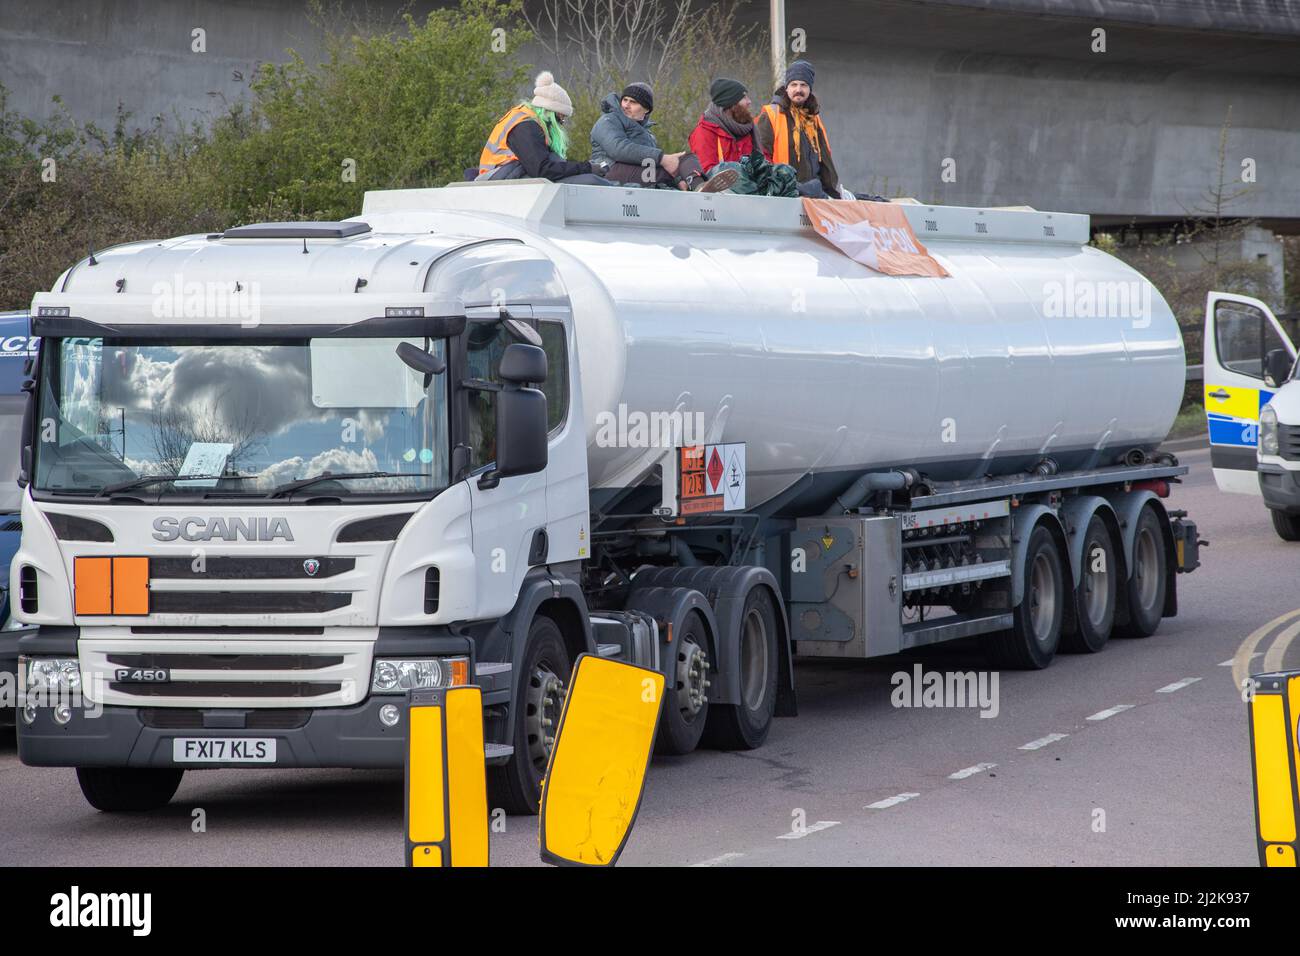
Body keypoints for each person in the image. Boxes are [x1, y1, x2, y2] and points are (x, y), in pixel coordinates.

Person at [590, 83, 736, 192]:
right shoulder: (608, 120)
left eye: (633, 102)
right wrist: (663, 159)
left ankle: (700, 187)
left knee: (685, 157)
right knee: (662, 171)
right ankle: (689, 185)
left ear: (646, 109)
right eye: (625, 100)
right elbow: (619, 149)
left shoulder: (647, 134)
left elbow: (651, 160)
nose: (626, 105)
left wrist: (677, 171)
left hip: (640, 171)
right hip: (609, 170)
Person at [478, 71, 611, 185]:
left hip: (500, 177)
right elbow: (541, 169)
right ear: (551, 112)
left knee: (556, 162)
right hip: (495, 180)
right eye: (562, 117)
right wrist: (586, 167)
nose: (562, 122)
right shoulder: (525, 126)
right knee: (560, 168)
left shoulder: (527, 121)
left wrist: (585, 167)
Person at [754, 59, 841, 198]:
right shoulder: (771, 115)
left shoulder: (814, 119)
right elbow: (760, 159)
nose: (798, 90)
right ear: (786, 88)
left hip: (814, 197)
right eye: (794, 84)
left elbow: (825, 161)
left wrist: (832, 194)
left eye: (803, 85)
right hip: (784, 197)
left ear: (810, 89)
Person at [688, 77, 756, 174]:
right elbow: (707, 173)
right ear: (731, 103)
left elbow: (762, 161)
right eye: (744, 97)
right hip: (722, 188)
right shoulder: (704, 132)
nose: (749, 101)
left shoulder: (747, 128)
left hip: (752, 187)